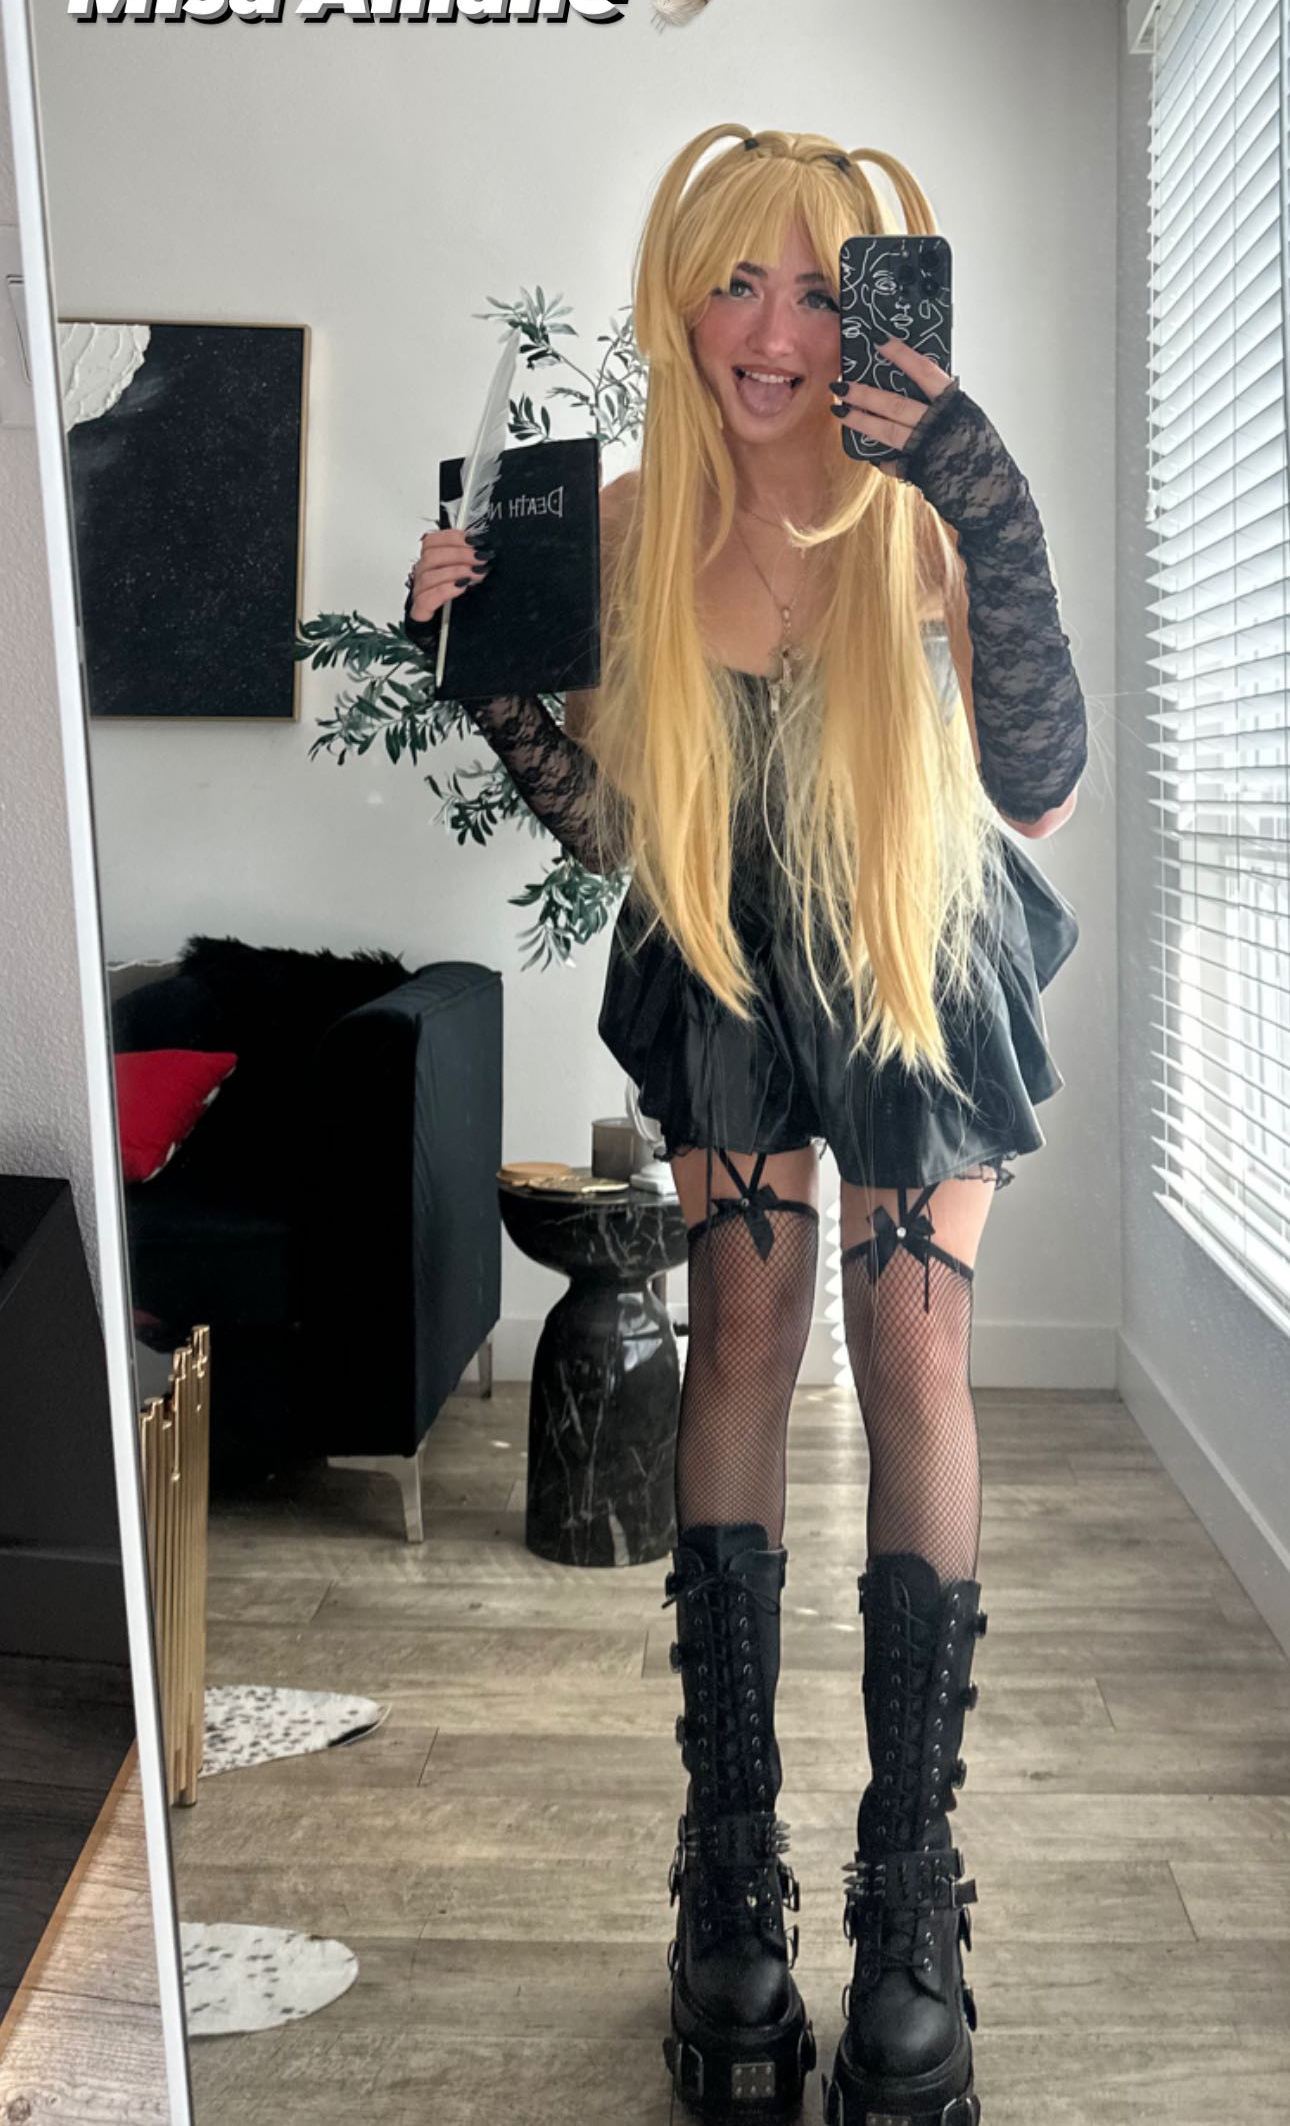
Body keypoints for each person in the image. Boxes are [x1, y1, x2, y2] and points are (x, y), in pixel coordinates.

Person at [405, 125, 1087, 2126]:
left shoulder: (933, 511)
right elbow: (623, 829)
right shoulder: (626, 527)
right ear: (679, 302)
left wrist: (981, 483)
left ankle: (909, 1908)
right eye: (734, 281)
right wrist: (488, 679)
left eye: (816, 286)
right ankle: (726, 1889)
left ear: (872, 312)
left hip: (918, 932)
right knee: (744, 1343)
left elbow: (1039, 780)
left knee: (912, 1345)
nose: (772, 329)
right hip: (721, 942)